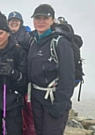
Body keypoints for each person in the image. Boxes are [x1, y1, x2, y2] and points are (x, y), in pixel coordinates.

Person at [28, 4, 75, 135]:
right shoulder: (33, 41)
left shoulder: (60, 43)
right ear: (33, 20)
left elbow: (68, 77)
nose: (41, 21)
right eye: (38, 18)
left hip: (54, 100)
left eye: (45, 18)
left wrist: (59, 107)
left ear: (52, 20)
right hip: (37, 100)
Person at [7, 11, 36, 135]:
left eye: (16, 20)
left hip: (25, 78)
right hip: (9, 79)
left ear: (21, 22)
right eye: (11, 20)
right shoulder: (3, 36)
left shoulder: (27, 36)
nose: (14, 22)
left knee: (27, 110)